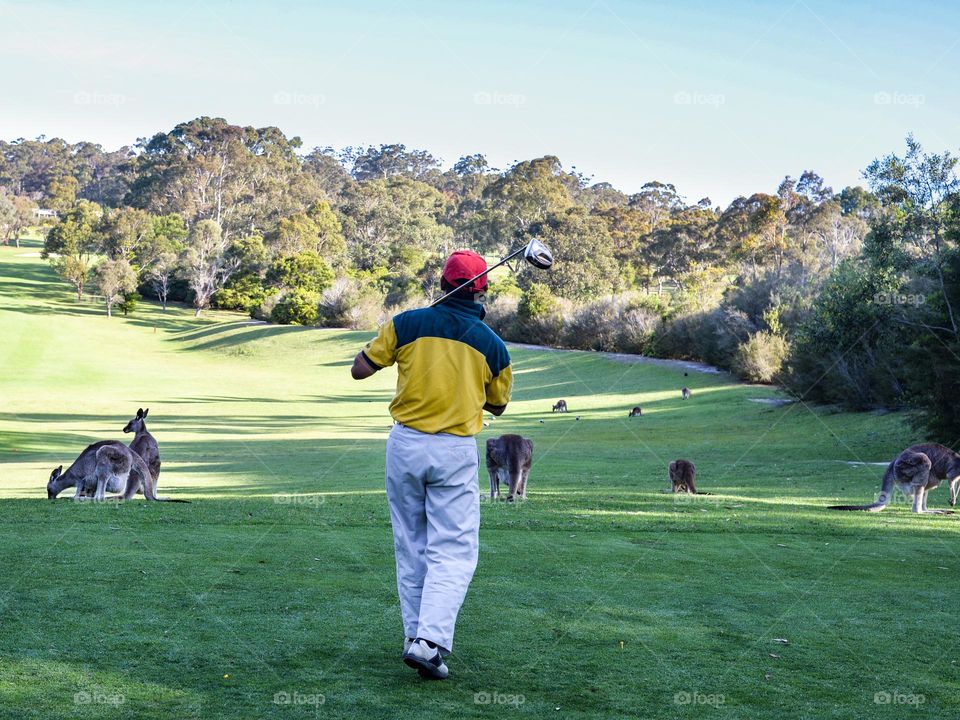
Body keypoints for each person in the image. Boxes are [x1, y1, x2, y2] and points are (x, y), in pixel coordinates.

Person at [350, 250, 512, 680]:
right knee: (454, 551)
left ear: (442, 284)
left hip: (404, 444)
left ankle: (416, 639)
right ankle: (428, 642)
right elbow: (497, 406)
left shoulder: (406, 323)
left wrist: (392, 348)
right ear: (483, 289)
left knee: (412, 544)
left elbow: (359, 369)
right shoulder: (492, 344)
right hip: (454, 449)